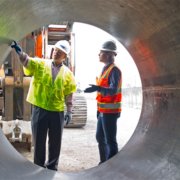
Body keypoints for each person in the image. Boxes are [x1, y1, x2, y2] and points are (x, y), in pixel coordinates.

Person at [11, 40, 76, 171]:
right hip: (40, 109)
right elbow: (27, 61)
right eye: (55, 50)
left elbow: (69, 93)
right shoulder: (41, 64)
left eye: (60, 52)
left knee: (55, 143)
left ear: (65, 57)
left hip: (57, 112)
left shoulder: (68, 74)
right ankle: (38, 168)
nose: (56, 53)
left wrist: (69, 111)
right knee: (39, 142)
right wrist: (19, 52)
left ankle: (52, 168)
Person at [84, 40, 122, 164]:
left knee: (110, 140)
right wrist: (98, 110)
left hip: (110, 112)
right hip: (103, 111)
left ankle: (111, 166)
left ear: (109, 54)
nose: (98, 55)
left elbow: (113, 90)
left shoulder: (114, 70)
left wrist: (98, 88)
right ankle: (104, 163)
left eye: (101, 53)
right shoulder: (105, 69)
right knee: (100, 137)